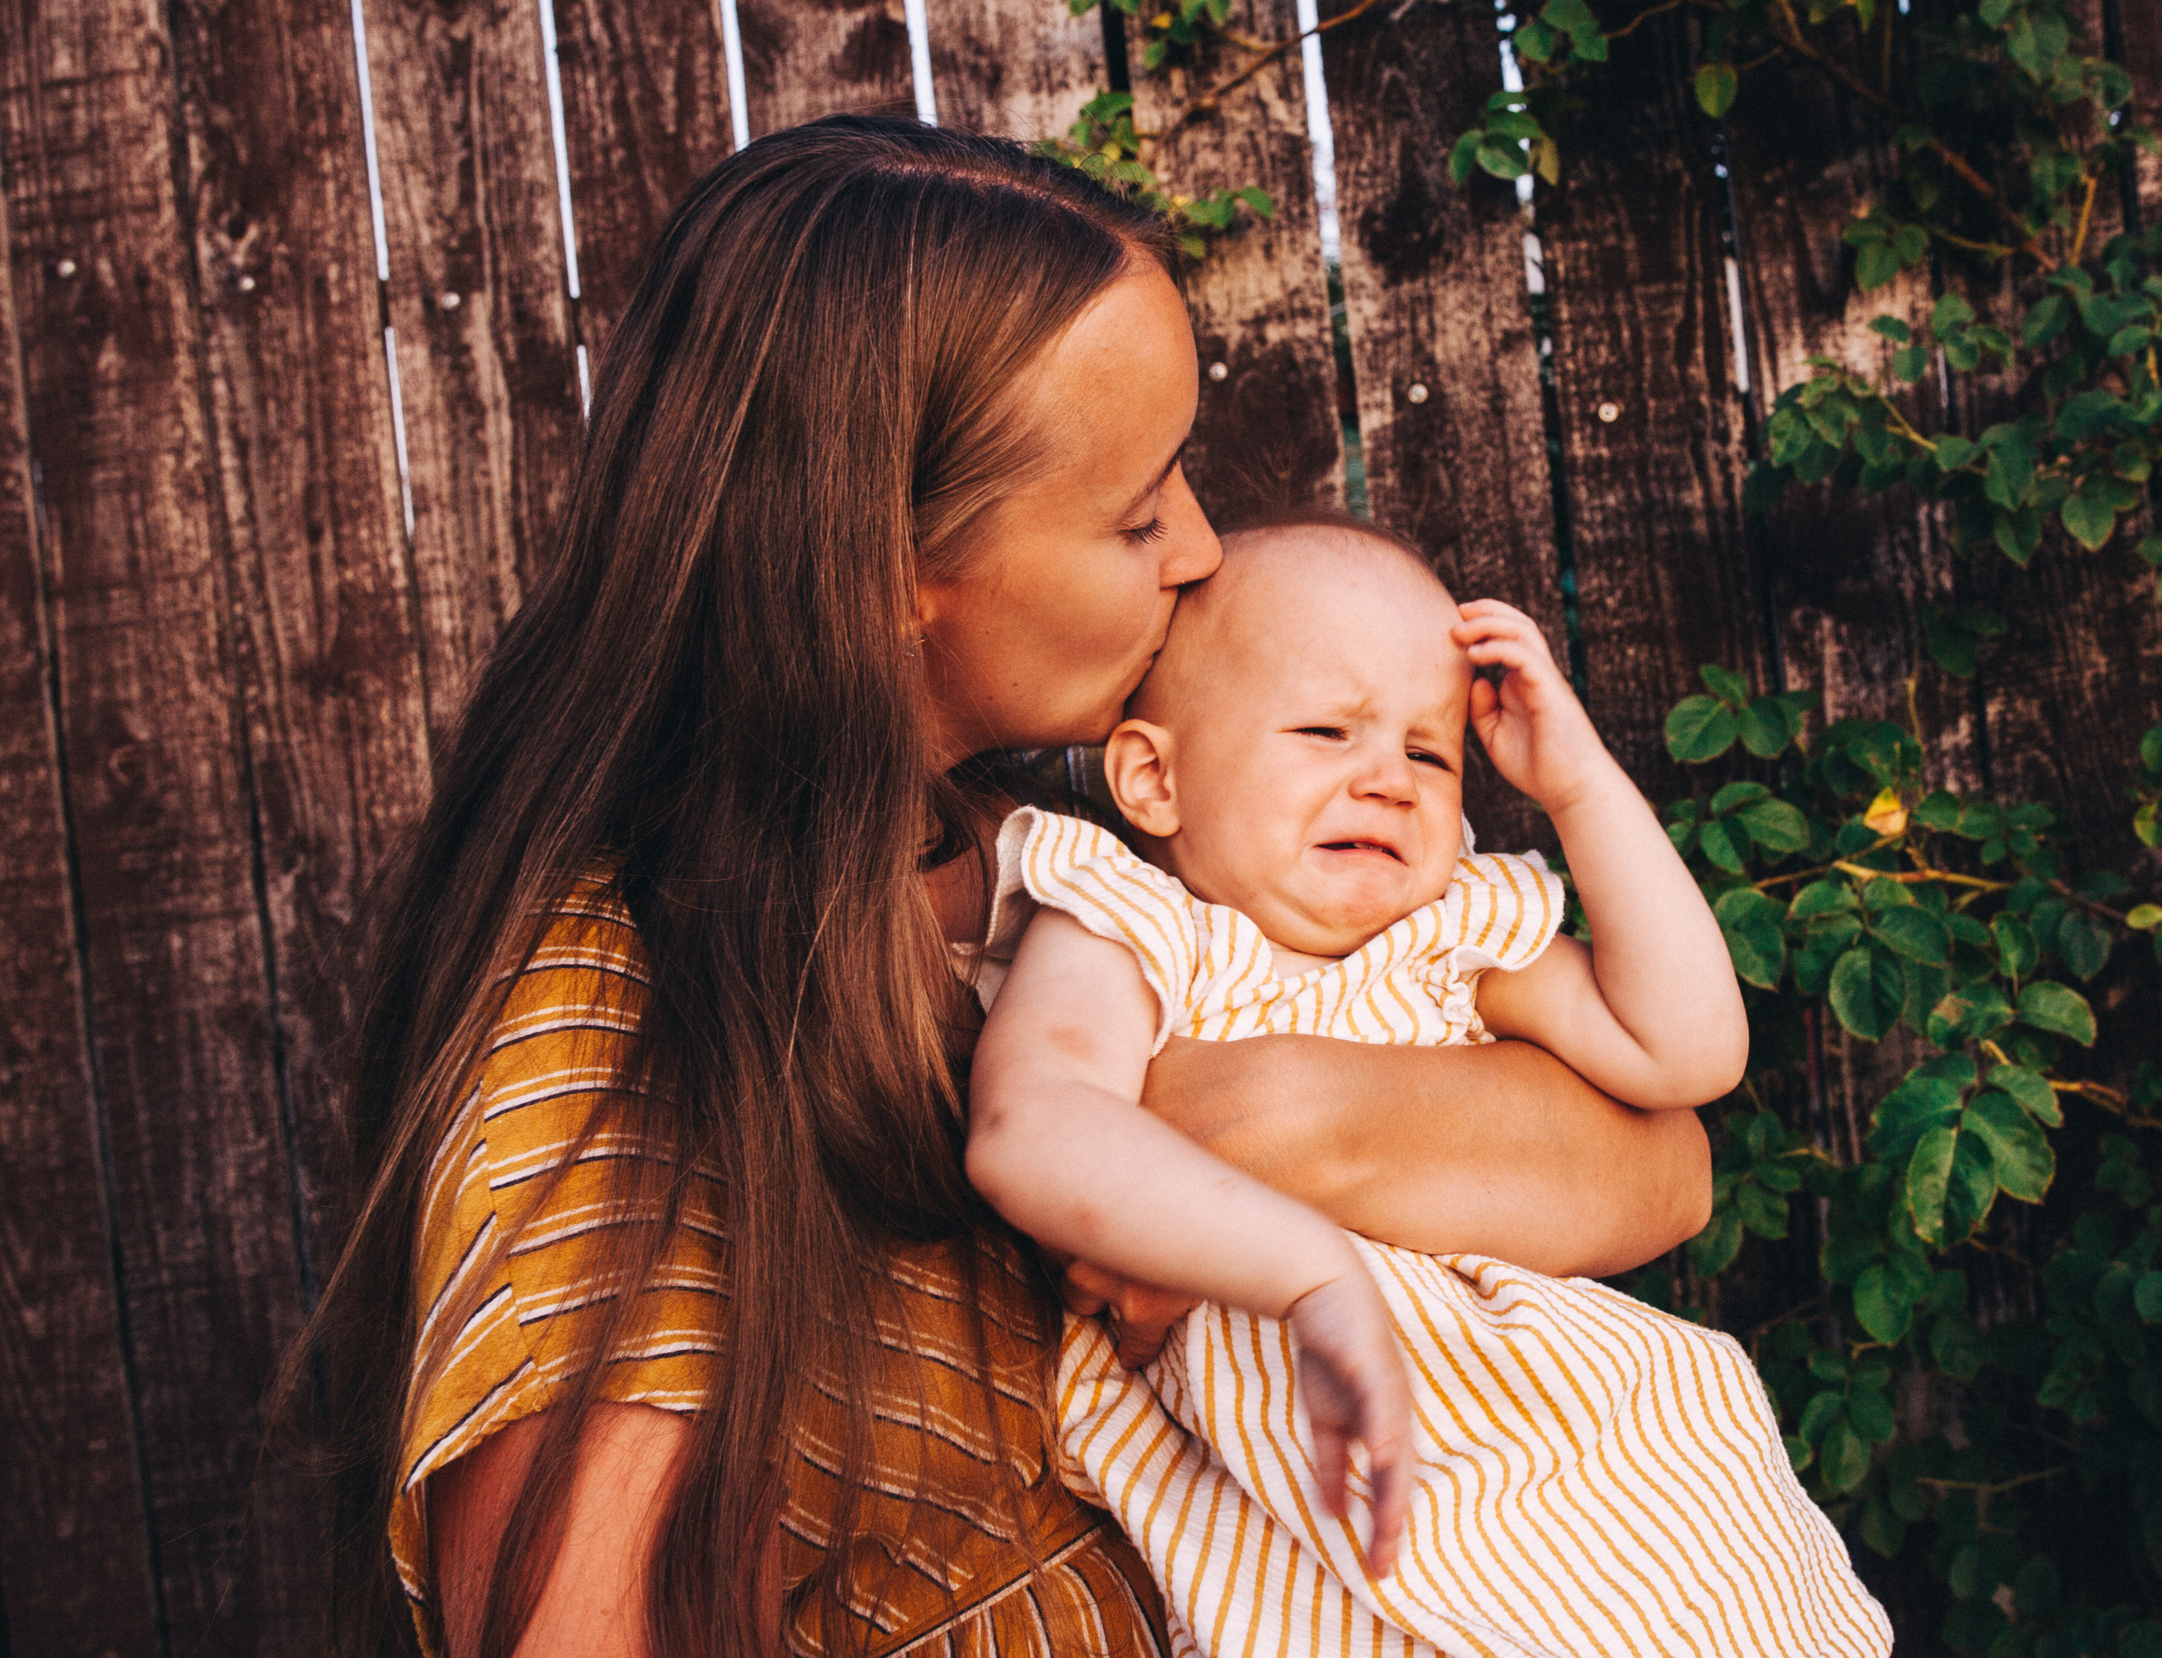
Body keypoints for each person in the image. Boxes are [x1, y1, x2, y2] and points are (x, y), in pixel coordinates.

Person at [300, 115, 1715, 1658]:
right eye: (1137, 511)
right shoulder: (621, 1036)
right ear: (883, 567)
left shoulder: (1066, 844)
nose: (1199, 550)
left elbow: (1665, 1168)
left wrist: (1256, 1120)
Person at [966, 521, 1893, 1656]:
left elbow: (1690, 1054)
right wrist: (1307, 1271)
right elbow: (1029, 1123)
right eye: (1326, 731)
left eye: (1431, 754)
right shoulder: (1134, 928)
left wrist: (1580, 787)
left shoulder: (1452, 936)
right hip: (1325, 1536)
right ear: (1155, 778)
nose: (1389, 782)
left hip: (1597, 1484)